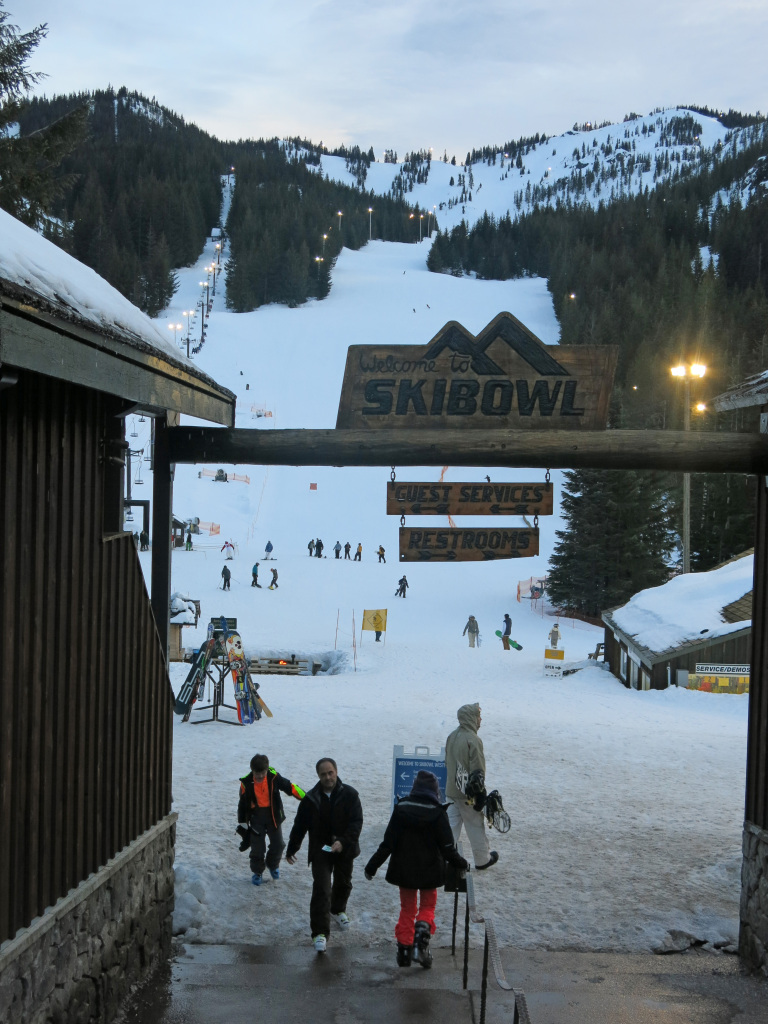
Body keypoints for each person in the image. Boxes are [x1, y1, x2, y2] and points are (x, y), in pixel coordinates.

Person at [365, 770, 468, 968]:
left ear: (415, 788)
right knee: (427, 907)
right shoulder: (438, 812)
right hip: (430, 872)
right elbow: (447, 849)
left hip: (405, 872)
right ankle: (420, 944)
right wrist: (462, 863)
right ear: (434, 791)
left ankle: (404, 951)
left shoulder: (401, 808)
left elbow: (388, 843)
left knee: (407, 909)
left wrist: (372, 866)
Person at [286, 757, 363, 954]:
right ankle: (319, 932)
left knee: (344, 883)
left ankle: (337, 910)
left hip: (344, 848)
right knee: (321, 888)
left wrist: (343, 842)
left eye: (330, 772)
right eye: (323, 774)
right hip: (321, 850)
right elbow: (300, 825)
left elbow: (356, 822)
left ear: (336, 771)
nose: (328, 777)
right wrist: (292, 848)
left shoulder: (351, 795)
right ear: (318, 776)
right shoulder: (311, 799)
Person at [445, 703, 498, 871]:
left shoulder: (452, 736)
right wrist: (480, 793)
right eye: (478, 717)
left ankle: (446, 859)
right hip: (468, 795)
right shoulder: (473, 740)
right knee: (475, 825)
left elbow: (447, 762)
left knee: (450, 827)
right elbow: (477, 769)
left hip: (451, 790)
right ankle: (482, 859)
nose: (480, 720)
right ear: (472, 718)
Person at [238, 754, 304, 886]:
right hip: (256, 818)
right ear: (252, 770)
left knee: (278, 844)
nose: (260, 776)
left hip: (273, 817)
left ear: (267, 769)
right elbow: (242, 804)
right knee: (257, 848)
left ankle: (272, 865)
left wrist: (307, 798)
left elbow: (290, 787)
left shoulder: (274, 777)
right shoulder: (246, 783)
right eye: (257, 773)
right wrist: (242, 824)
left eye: (263, 772)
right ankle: (257, 872)